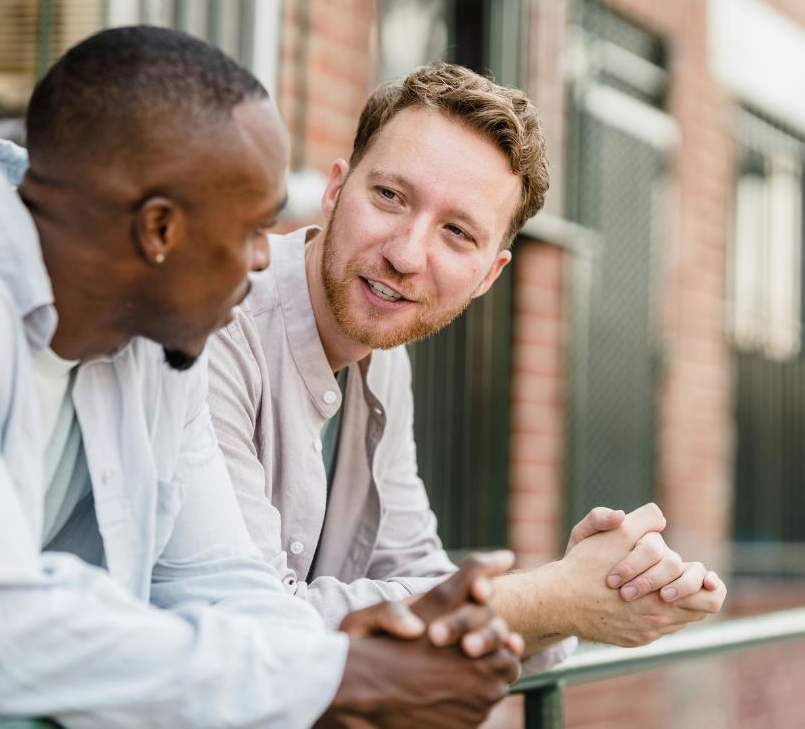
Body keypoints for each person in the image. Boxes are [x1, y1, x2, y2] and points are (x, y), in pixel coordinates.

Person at [0, 29, 523, 729]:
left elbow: (216, 581)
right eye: (250, 231)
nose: (265, 261)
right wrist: (338, 677)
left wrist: (357, 654)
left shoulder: (153, 338)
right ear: (159, 231)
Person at [207, 62, 727, 669]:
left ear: (489, 275)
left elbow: (416, 574)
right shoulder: (216, 324)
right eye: (390, 196)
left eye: (457, 232)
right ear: (334, 190)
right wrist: (550, 595)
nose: (404, 254)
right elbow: (253, 625)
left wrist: (590, 594)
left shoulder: (384, 360)